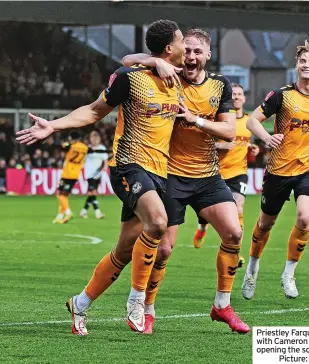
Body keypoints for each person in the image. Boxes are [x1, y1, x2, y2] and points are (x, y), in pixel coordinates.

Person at [16, 19, 185, 335]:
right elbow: (94, 111)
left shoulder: (176, 82)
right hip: (127, 166)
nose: (185, 46)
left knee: (124, 251)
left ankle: (79, 303)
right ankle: (137, 300)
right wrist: (54, 125)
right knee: (159, 223)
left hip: (159, 171)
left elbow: (133, 58)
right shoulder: (129, 78)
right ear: (168, 48)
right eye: (181, 41)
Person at [123, 29, 250, 334]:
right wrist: (156, 61)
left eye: (198, 52)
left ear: (208, 55)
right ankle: (149, 309)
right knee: (164, 250)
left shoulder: (219, 85)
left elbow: (230, 132)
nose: (191, 57)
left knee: (233, 233)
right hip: (170, 176)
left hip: (207, 175)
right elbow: (127, 60)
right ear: (180, 52)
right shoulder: (169, 75)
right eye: (188, 50)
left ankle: (222, 306)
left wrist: (196, 120)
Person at [241, 40, 309, 300]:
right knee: (265, 224)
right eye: (303, 61)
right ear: (297, 65)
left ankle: (288, 273)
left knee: (305, 218)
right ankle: (252, 268)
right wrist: (265, 137)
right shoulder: (282, 96)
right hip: (279, 170)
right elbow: (252, 120)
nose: (307, 65)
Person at [193, 83, 260, 251]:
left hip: (239, 172)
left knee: (238, 207)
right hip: (215, 172)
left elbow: (243, 140)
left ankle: (235, 250)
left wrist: (252, 147)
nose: (236, 97)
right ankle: (202, 228)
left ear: (244, 99)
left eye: (239, 94)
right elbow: (202, 141)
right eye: (233, 94)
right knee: (205, 213)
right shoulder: (219, 119)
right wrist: (220, 146)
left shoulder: (248, 121)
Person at [52, 131, 89, 224]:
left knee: (60, 194)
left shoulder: (70, 146)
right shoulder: (85, 147)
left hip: (67, 173)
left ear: (71, 138)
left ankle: (68, 212)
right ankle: (59, 216)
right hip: (76, 174)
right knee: (64, 195)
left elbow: (61, 146)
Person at [80, 129, 108, 220]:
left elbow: (105, 160)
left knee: (92, 193)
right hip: (89, 174)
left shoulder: (102, 149)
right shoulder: (87, 148)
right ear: (90, 139)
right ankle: (97, 212)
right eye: (93, 138)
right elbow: (82, 159)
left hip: (97, 173)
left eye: (96, 138)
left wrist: (105, 167)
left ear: (99, 139)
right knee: (93, 192)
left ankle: (84, 211)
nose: (94, 140)